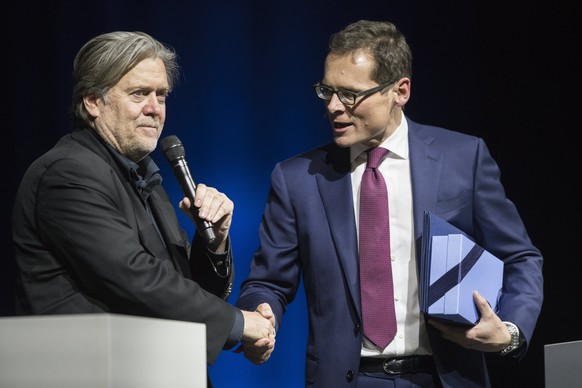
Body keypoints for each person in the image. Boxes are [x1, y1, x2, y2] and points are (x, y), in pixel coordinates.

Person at [236, 20, 543, 387]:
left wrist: (510, 330)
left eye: (350, 94)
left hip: (445, 377)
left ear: (400, 91)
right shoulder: (297, 179)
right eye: (327, 91)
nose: (334, 107)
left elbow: (520, 258)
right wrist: (260, 314)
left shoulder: (463, 158)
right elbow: (269, 281)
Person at [11, 31, 274, 387]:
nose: (155, 108)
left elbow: (185, 290)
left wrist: (213, 240)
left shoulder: (141, 176)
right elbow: (136, 281)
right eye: (139, 94)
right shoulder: (68, 173)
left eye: (161, 95)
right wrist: (241, 324)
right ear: (92, 100)